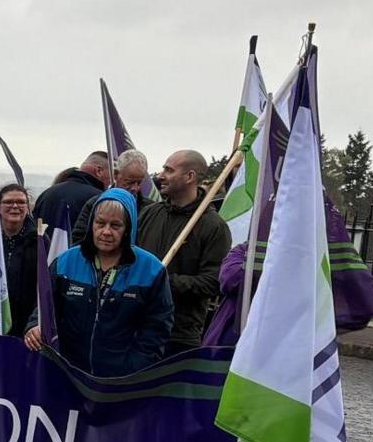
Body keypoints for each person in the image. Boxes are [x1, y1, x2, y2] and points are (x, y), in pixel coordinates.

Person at [25, 186, 173, 377]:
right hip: (67, 374)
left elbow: (157, 327)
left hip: (121, 381)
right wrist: (34, 327)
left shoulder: (151, 269)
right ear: (91, 224)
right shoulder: (66, 261)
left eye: (115, 225)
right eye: (100, 223)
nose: (106, 231)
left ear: (128, 228)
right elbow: (45, 306)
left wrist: (134, 368)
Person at [135, 148, 232, 352]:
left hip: (178, 335)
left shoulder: (213, 226)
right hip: (137, 326)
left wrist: (166, 283)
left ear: (190, 177)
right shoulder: (149, 214)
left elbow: (213, 282)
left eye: (169, 170)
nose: (161, 176)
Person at [0, 183, 39, 337]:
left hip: (25, 327)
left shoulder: (39, 241)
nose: (15, 206)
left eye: (20, 202)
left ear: (28, 208)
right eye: (8, 202)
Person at [33, 151, 109, 240]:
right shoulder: (99, 198)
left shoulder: (46, 194)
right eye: (113, 174)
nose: (113, 180)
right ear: (99, 171)